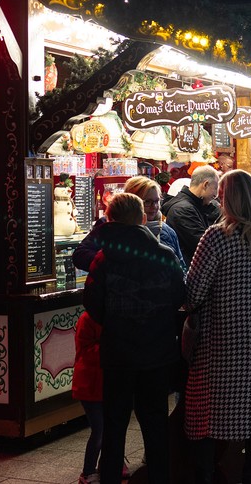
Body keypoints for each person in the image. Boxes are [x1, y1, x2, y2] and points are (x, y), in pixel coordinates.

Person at [185, 169, 251, 484]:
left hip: (225, 337)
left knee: (207, 411)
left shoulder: (218, 236)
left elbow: (193, 292)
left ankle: (206, 476)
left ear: (228, 198)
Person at [84, 192, 186, 484]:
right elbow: (178, 297)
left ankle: (111, 478)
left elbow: (93, 304)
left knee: (114, 424)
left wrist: (116, 323)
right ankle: (159, 477)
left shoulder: (103, 259)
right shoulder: (165, 254)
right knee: (155, 423)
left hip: (117, 353)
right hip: (157, 351)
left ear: (110, 219)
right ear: (143, 219)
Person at [73, 176, 186, 272]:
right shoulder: (110, 225)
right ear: (132, 200)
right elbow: (80, 255)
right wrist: (116, 266)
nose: (154, 206)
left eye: (156, 201)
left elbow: (181, 268)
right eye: (147, 202)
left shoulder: (167, 231)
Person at [164, 165, 221, 261]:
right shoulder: (182, 210)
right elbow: (205, 247)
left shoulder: (198, 205)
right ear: (205, 184)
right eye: (215, 188)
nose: (216, 195)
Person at [73, 311, 104, 484]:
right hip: (89, 384)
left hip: (102, 383)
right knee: (99, 430)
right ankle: (88, 472)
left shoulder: (104, 316)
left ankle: (106, 464)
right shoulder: (87, 319)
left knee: (106, 428)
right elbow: (86, 351)